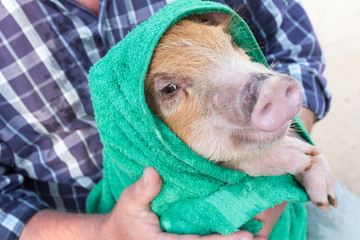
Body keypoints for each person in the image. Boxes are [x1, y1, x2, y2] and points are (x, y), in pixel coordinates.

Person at [1, 0, 355, 239]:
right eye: (169, 88)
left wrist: (287, 146)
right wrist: (107, 231)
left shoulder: (265, 94)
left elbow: (295, 53)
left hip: (269, 163)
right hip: (76, 224)